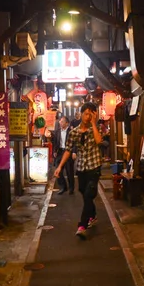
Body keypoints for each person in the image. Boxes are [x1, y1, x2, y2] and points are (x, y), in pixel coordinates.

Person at [54, 102, 103, 239]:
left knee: (88, 194)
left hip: (94, 166)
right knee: (83, 192)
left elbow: (99, 141)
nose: (88, 117)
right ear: (81, 114)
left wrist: (93, 123)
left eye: (91, 114)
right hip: (81, 167)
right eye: (86, 113)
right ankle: (92, 216)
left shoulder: (96, 128)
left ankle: (82, 225)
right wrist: (59, 167)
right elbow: (68, 150)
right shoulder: (74, 132)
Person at [53, 115, 75, 194]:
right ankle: (63, 187)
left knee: (69, 171)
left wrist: (74, 152)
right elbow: (55, 142)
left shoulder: (71, 131)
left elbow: (74, 142)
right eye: (60, 121)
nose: (60, 123)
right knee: (58, 171)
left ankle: (71, 188)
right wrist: (54, 151)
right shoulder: (57, 131)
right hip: (60, 152)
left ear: (67, 123)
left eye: (62, 121)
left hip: (68, 151)